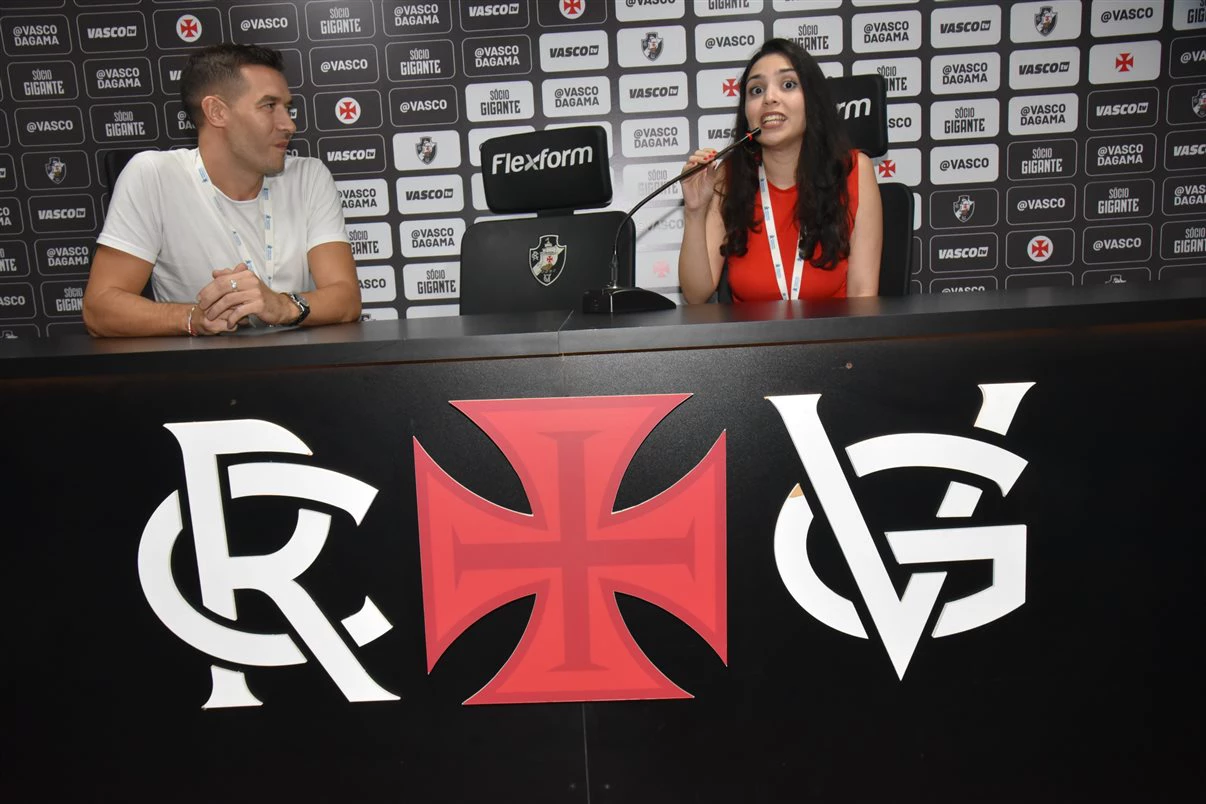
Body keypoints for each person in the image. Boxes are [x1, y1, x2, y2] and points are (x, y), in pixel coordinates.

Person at [83, 44, 360, 337]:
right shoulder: (154, 175)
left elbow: (346, 299)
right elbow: (99, 309)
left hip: (300, 363)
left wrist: (282, 306)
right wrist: (193, 317)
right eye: (269, 106)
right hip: (202, 364)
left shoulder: (308, 176)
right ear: (216, 112)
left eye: (287, 108)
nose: (288, 124)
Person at [678, 38, 882, 304]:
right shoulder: (728, 177)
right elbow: (696, 295)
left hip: (832, 331)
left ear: (812, 100)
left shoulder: (853, 170)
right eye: (756, 90)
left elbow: (863, 296)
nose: (769, 98)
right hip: (752, 332)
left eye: (788, 85)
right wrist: (694, 211)